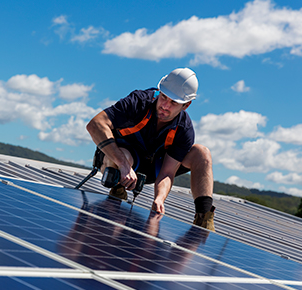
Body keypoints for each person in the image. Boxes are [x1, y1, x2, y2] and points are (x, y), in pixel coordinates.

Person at [86, 68, 215, 231]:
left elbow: (167, 173)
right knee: (124, 156)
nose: (165, 106)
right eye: (164, 97)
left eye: (173, 102)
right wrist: (123, 165)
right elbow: (95, 124)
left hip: (154, 168)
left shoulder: (184, 130)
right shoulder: (138, 102)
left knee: (202, 153)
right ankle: (118, 189)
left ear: (186, 105)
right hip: (121, 160)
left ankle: (204, 220)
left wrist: (160, 199)